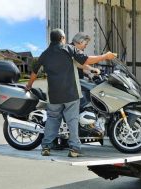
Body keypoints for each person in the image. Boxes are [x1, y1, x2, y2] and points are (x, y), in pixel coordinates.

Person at [26, 29, 116, 157]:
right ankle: (74, 149)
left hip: (53, 95)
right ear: (62, 38)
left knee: (52, 119)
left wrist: (29, 85)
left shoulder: (45, 54)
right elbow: (85, 60)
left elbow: (35, 72)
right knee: (72, 121)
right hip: (71, 93)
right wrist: (105, 56)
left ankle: (46, 146)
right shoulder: (68, 49)